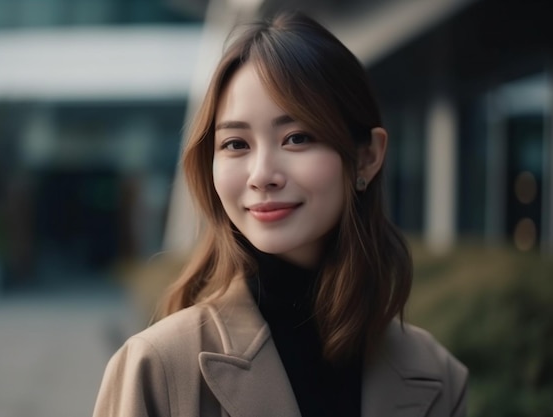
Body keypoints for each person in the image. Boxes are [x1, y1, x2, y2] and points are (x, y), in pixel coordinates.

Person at [93, 10, 467, 417]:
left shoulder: (437, 375)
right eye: (236, 144)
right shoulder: (158, 368)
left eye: (297, 137)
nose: (262, 175)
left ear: (367, 157)